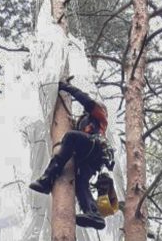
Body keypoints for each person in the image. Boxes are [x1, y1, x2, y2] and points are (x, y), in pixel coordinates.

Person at [29, 81, 114, 230]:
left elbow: (86, 100)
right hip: (89, 158)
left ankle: (47, 178)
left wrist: (67, 87)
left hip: (95, 147)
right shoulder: (84, 122)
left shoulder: (99, 113)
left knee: (71, 137)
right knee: (81, 183)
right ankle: (93, 213)